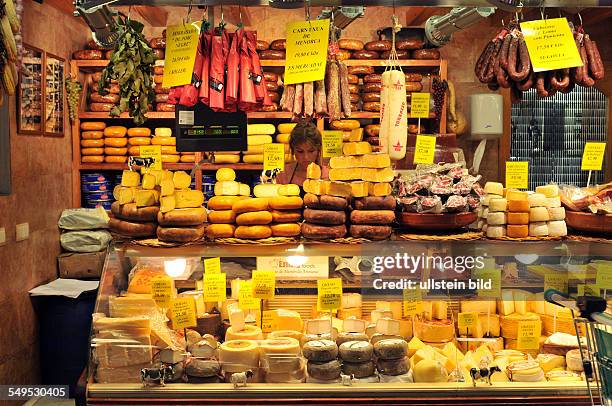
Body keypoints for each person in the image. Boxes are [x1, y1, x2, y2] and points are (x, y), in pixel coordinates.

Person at [276, 120, 329, 188]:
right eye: (300, 151)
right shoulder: (283, 175)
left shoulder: (328, 176)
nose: (306, 157)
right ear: (293, 150)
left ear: (318, 150)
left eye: (311, 151)